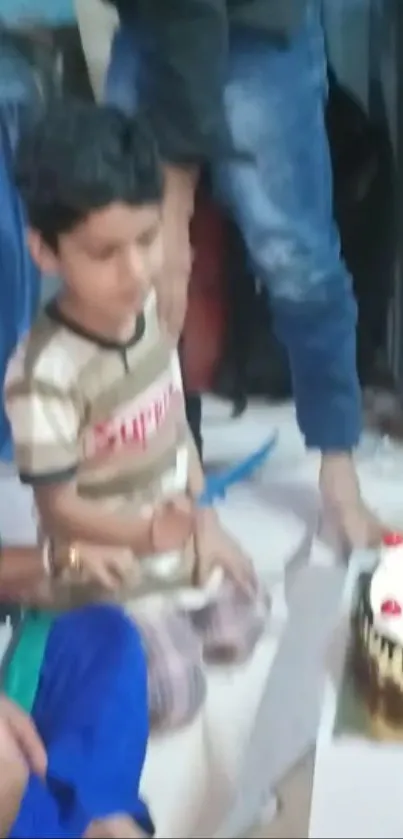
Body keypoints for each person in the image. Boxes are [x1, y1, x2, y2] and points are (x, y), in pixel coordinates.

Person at [4, 101, 267, 733]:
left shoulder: (149, 313)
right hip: (106, 570)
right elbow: (59, 510)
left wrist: (205, 521)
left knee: (247, 615)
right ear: (44, 250)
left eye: (147, 240)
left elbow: (175, 427)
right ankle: (72, 635)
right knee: (176, 697)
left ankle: (170, 622)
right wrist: (147, 537)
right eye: (104, 254)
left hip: (172, 540)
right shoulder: (44, 374)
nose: (135, 273)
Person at [96, 0, 382, 548]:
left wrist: (174, 204)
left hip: (256, 29)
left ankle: (339, 475)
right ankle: (164, 472)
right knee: (125, 270)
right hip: (153, 27)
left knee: (298, 263)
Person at [0, 542, 154, 838]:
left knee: (109, 636)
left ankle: (95, 816)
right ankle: (85, 818)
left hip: (16, 652)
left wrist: (52, 561)